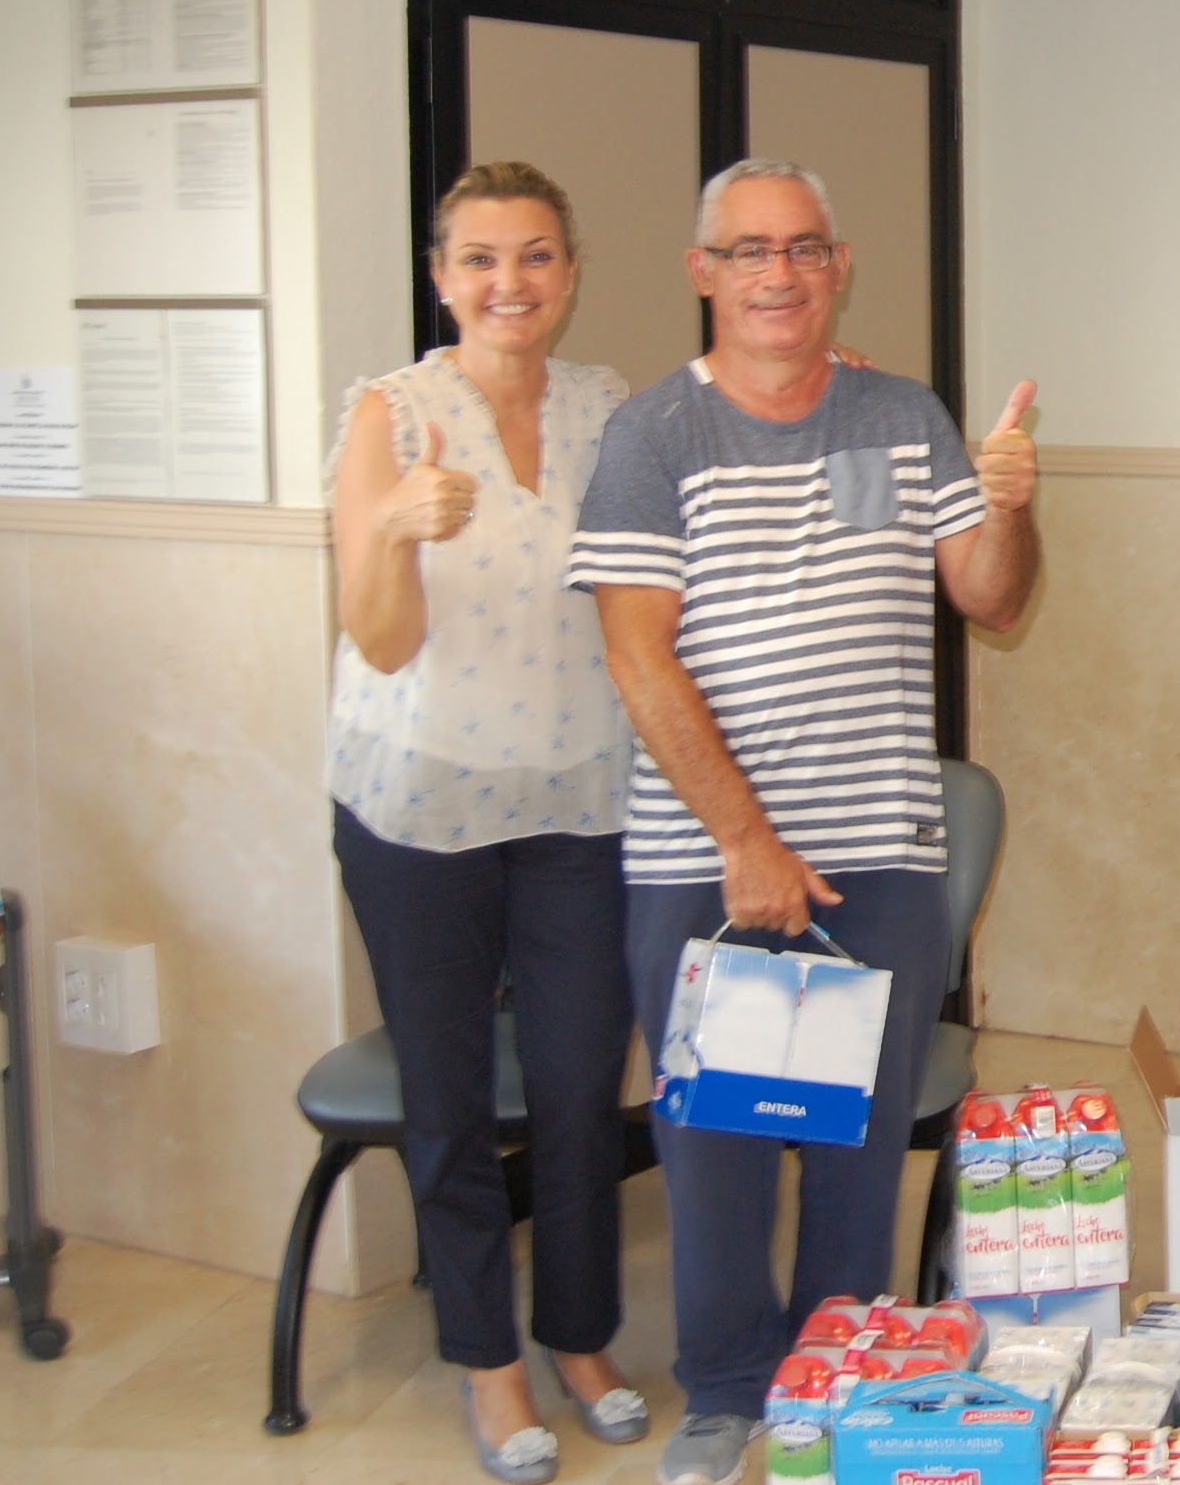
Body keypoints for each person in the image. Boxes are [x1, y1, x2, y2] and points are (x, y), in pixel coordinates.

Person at [569, 158, 1041, 1485]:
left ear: (838, 265)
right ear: (702, 271)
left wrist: (1010, 503)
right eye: (749, 249)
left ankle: (839, 1386)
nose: (778, 273)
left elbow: (993, 598)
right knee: (716, 1150)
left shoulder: (903, 414)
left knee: (854, 1152)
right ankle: (725, 1396)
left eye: (804, 247)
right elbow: (638, 655)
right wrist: (747, 841)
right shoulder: (653, 436)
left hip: (880, 854)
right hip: (704, 861)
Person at [326, 161, 647, 1485]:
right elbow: (378, 640)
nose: (508, 282)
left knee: (578, 1086)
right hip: (423, 808)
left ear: (569, 271)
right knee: (451, 1099)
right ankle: (487, 1359)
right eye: (479, 257)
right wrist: (394, 531)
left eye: (535, 255)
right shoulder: (390, 414)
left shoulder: (606, 404)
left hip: (578, 797)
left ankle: (579, 1337)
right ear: (440, 275)